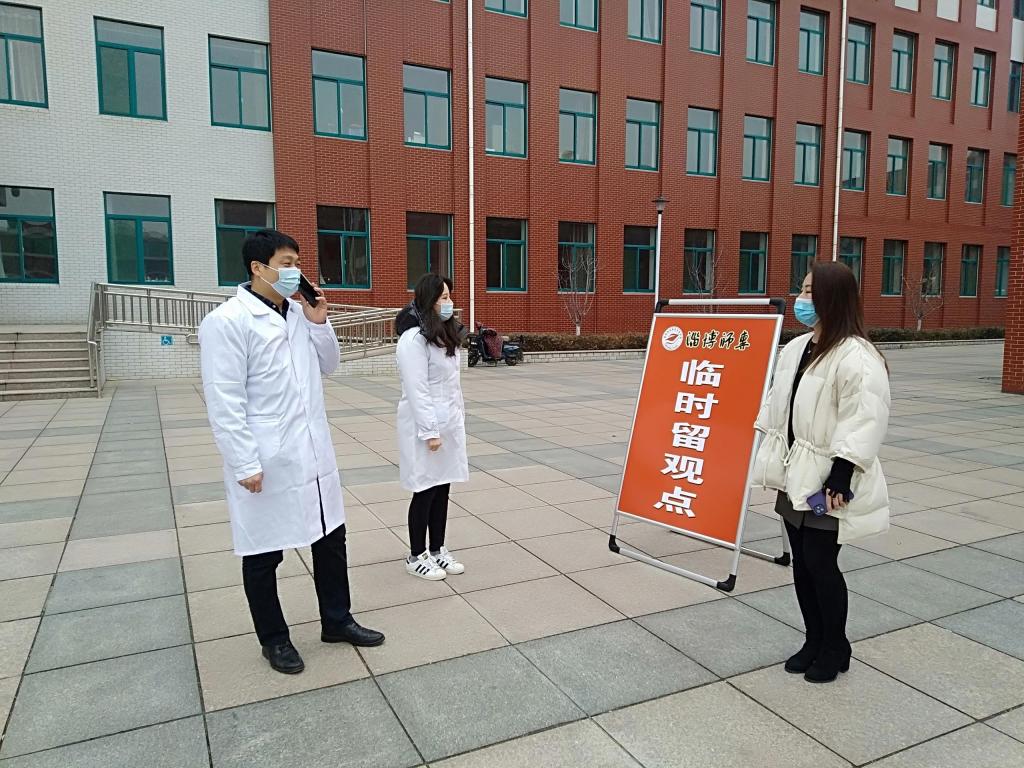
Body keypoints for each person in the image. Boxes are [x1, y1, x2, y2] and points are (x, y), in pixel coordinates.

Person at [199, 229, 383, 675]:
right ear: (257, 268)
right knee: (264, 552)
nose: (295, 271)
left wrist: (319, 321)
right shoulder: (227, 322)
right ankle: (274, 640)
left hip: (312, 451)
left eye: (297, 263)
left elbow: (329, 364)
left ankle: (337, 620)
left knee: (330, 538)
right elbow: (224, 399)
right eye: (286, 263)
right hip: (267, 456)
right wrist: (244, 462)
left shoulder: (300, 315)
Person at [753, 262, 891, 684]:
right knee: (801, 562)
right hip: (793, 471)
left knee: (821, 562)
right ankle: (813, 639)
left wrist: (841, 475)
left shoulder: (857, 356)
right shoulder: (796, 348)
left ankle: (836, 647)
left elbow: (865, 419)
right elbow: (777, 403)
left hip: (828, 480)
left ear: (834, 298)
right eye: (802, 289)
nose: (802, 299)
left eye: (811, 291)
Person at [394, 273, 470, 581]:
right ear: (429, 301)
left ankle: (437, 548)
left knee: (442, 488)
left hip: (448, 425)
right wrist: (430, 431)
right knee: (424, 489)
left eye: (450, 296)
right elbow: (418, 389)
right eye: (443, 298)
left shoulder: (443, 336)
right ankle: (416, 555)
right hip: (425, 429)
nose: (449, 303)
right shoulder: (413, 339)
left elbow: (451, 387)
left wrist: (456, 421)